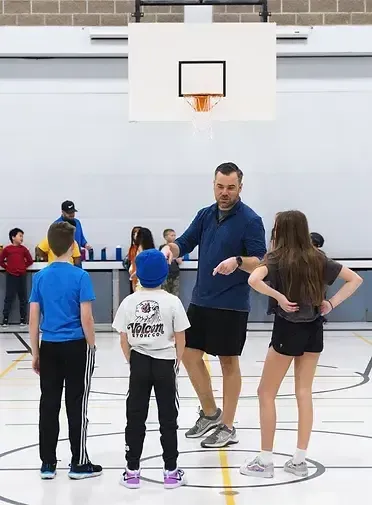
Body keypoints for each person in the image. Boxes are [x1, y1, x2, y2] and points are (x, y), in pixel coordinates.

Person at [240, 210, 362, 479]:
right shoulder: (317, 257)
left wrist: (279, 297)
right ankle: (299, 460)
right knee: (304, 392)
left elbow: (253, 279)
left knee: (266, 392)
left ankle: (265, 460)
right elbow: (355, 279)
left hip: (288, 328)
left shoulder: (276, 258)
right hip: (314, 329)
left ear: (279, 231)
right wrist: (330, 304)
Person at [161, 162, 267, 448]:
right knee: (188, 355)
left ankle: (228, 426)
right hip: (201, 300)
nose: (224, 192)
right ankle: (210, 413)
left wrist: (237, 261)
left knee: (228, 362)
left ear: (240, 188)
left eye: (231, 187)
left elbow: (260, 260)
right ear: (214, 185)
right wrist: (168, 250)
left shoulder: (250, 220)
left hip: (231, 304)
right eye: (220, 186)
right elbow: (184, 242)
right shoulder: (205, 215)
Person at [29, 222, 102, 480]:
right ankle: (78, 462)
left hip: (49, 346)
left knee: (48, 404)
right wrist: (92, 346)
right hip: (75, 347)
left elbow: (34, 318)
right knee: (76, 404)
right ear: (73, 246)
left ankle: (48, 463)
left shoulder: (40, 277)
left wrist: (35, 352)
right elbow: (87, 318)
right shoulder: (80, 276)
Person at [112, 249, 190, 489]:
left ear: (137, 273)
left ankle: (132, 469)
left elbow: (123, 338)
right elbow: (181, 337)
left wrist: (132, 360)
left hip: (139, 363)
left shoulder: (128, 301)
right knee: (168, 417)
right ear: (165, 273)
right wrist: (176, 361)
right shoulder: (172, 301)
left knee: (135, 416)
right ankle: (170, 471)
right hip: (166, 363)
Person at [0, 228, 33, 326]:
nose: (22, 238)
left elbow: (30, 260)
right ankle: (5, 319)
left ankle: (23, 319)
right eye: (20, 236)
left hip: (22, 275)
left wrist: (23, 267)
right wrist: (8, 268)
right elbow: (1, 261)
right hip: (11, 276)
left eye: (22, 236)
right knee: (9, 297)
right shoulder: (7, 249)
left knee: (22, 297)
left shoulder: (23, 249)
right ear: (13, 237)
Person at [129, 227, 156, 292]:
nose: (135, 235)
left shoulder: (150, 253)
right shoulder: (135, 249)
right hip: (135, 277)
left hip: (143, 279)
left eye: (137, 234)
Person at [159, 229, 182, 296]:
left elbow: (179, 261)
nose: (174, 237)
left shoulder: (177, 248)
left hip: (175, 272)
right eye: (172, 235)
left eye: (174, 235)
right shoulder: (162, 248)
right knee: (164, 292)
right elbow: (162, 259)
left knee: (175, 292)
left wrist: (175, 254)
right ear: (166, 237)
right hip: (165, 273)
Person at [124, 226, 141, 293]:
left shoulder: (145, 248)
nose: (136, 236)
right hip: (133, 275)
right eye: (134, 234)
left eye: (138, 234)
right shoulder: (132, 248)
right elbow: (131, 261)